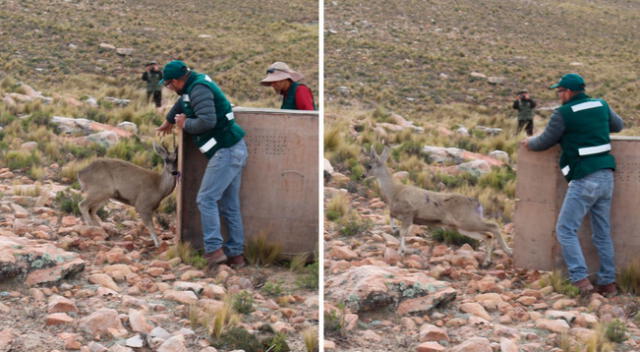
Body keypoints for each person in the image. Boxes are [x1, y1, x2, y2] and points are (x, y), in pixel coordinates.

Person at [522, 73, 624, 297]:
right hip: (606, 176)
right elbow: (618, 126)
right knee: (602, 232)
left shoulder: (563, 113)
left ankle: (580, 280)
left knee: (565, 229)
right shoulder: (601, 104)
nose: (559, 96)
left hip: (584, 178)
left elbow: (544, 141)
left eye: (559, 92)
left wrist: (529, 143)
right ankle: (608, 283)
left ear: (567, 92)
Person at [156, 60, 248, 269]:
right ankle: (236, 255)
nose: (169, 88)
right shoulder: (192, 86)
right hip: (233, 149)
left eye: (169, 84)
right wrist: (169, 120)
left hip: (226, 151)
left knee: (206, 199)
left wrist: (184, 124)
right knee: (229, 205)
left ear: (177, 80)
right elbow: (182, 103)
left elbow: (207, 121)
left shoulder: (198, 89)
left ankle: (214, 251)